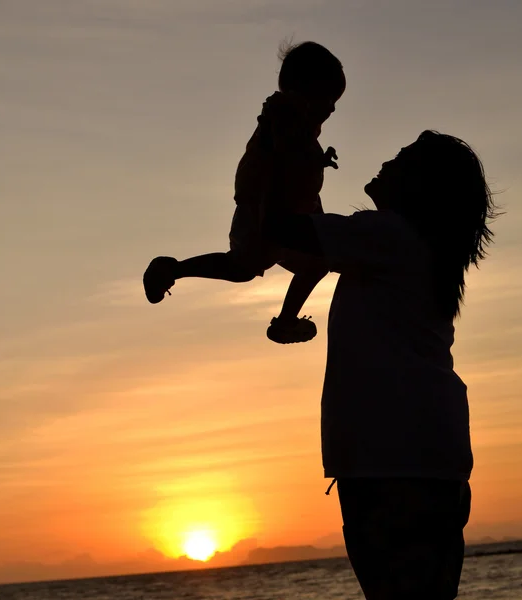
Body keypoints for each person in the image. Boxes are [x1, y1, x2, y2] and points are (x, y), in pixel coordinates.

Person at [262, 129, 498, 599]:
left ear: (419, 185)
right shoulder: (410, 246)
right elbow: (309, 238)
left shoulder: (388, 234)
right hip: (422, 459)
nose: (387, 162)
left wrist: (278, 155)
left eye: (402, 159)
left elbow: (282, 229)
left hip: (391, 462)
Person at [142, 41, 346, 344]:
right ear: (303, 88)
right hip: (265, 213)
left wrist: (317, 160)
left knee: (311, 262)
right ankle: (173, 269)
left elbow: (292, 158)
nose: (331, 108)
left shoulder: (297, 123)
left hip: (287, 215)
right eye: (328, 97)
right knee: (243, 267)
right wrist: (308, 162)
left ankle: (285, 321)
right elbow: (281, 158)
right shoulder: (284, 114)